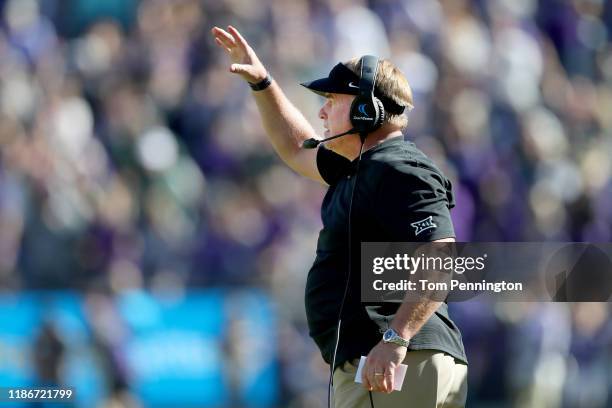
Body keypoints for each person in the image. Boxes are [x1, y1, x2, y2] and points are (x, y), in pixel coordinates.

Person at [211, 25, 468, 408]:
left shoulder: (399, 166)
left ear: (367, 110)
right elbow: (297, 148)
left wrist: (396, 339)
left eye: (333, 99)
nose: (322, 110)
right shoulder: (363, 167)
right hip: (392, 360)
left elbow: (440, 255)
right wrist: (263, 83)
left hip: (396, 360)